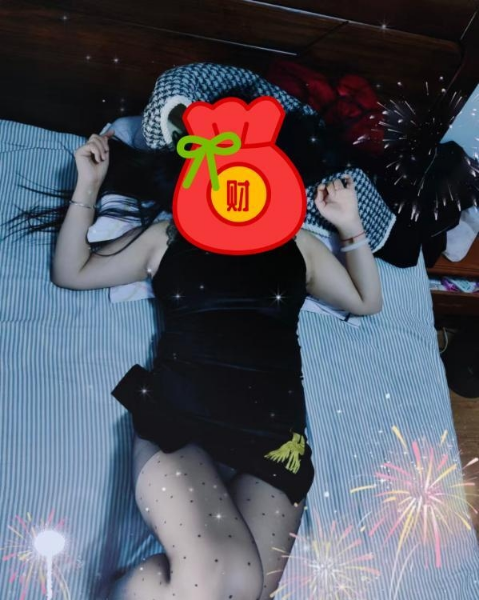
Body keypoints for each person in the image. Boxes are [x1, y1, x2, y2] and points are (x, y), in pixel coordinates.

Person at [4, 96, 382, 600]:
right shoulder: (168, 237)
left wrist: (349, 224)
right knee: (233, 582)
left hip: (274, 440)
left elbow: (365, 301)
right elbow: (72, 272)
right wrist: (88, 187)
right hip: (182, 420)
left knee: (239, 590)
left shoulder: (298, 246)